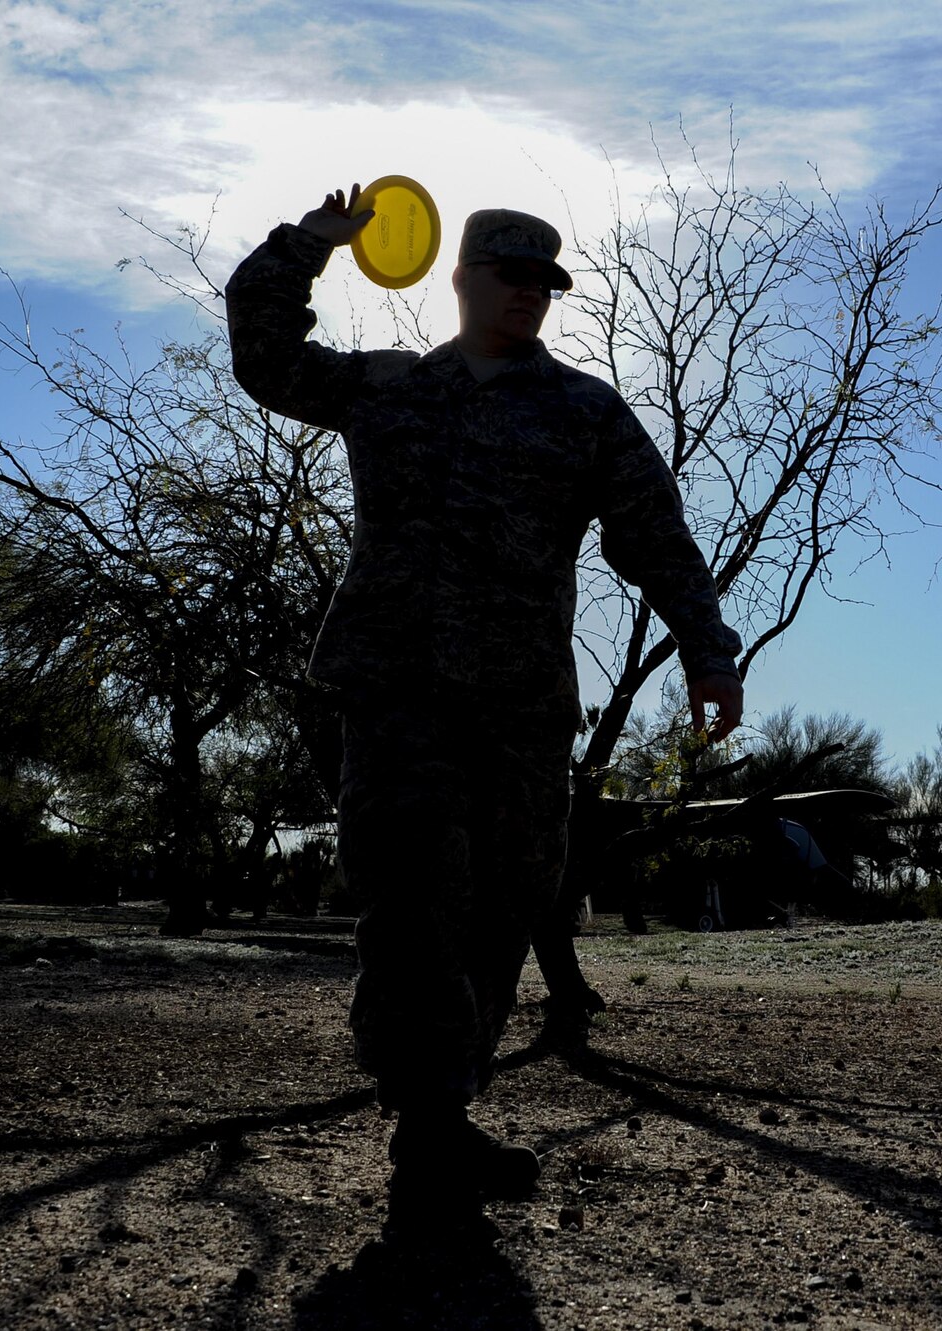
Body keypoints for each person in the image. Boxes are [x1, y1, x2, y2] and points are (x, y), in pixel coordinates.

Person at [225, 185, 743, 1248]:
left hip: (519, 710)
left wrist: (706, 645)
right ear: (461, 278)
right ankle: (424, 1119)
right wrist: (308, 244)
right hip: (398, 692)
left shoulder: (586, 412)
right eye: (510, 275)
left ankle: (442, 1107)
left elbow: (653, 534)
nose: (530, 296)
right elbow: (263, 355)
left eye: (547, 282)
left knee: (503, 904)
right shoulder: (390, 389)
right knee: (413, 898)